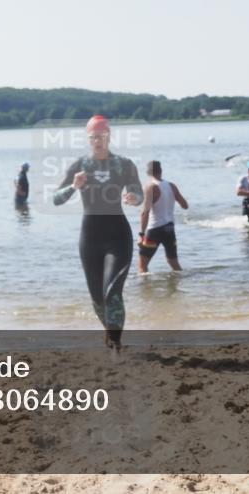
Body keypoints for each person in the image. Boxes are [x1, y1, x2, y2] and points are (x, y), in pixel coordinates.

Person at [53, 115, 142, 354]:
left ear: (109, 136)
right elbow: (55, 199)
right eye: (93, 137)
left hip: (118, 237)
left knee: (112, 290)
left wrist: (134, 197)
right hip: (90, 238)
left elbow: (138, 192)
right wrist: (74, 186)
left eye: (101, 136)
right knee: (97, 298)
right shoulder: (79, 166)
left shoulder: (124, 164)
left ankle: (115, 344)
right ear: (88, 138)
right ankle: (109, 334)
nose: (98, 141)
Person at [138, 160, 188, 273]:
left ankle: (145, 290)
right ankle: (179, 286)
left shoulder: (150, 187)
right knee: (174, 263)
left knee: (142, 265)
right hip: (169, 229)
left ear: (148, 172)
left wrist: (141, 234)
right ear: (161, 171)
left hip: (155, 229)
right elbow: (185, 206)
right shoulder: (171, 186)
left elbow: (145, 212)